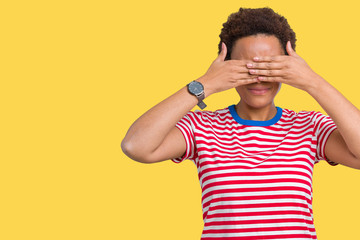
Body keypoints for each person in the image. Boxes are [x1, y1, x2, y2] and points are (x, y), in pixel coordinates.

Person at [121, 7, 360, 239]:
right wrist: (205, 85)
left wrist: (313, 82)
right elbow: (136, 146)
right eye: (246, 67)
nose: (258, 77)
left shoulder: (310, 127)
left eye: (270, 66)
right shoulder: (202, 127)